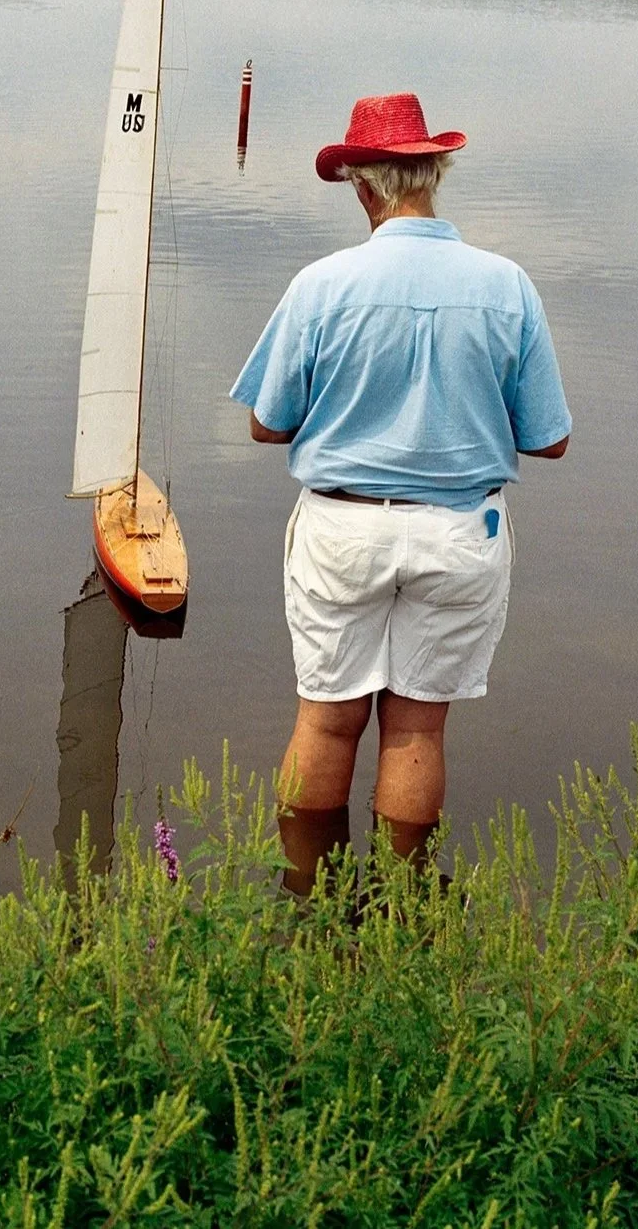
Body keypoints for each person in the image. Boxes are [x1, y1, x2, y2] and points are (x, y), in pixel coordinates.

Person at [230, 92, 571, 893]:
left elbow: (265, 426)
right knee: (417, 728)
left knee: (325, 718)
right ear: (434, 173)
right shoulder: (507, 285)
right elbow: (549, 437)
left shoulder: (321, 285)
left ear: (362, 185)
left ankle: (311, 912)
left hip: (343, 528)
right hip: (459, 533)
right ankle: (398, 926)